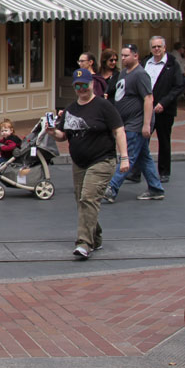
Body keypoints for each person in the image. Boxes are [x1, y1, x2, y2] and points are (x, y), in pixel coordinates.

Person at [50, 68, 129, 259]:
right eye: (77, 86)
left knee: (88, 198)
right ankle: (96, 237)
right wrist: (53, 132)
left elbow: (119, 131)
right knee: (82, 202)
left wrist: (124, 157)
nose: (81, 89)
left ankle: (84, 243)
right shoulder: (70, 109)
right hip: (79, 163)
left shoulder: (103, 106)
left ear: (92, 84)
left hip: (102, 160)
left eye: (84, 85)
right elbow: (63, 135)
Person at [102, 44, 164, 203]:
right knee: (144, 157)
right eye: (121, 56)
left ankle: (112, 188)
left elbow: (148, 99)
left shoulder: (140, 74)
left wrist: (146, 124)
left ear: (135, 56)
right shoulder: (124, 73)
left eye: (125, 56)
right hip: (125, 122)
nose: (122, 59)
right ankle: (156, 188)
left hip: (135, 124)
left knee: (127, 155)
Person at [131, 36, 185, 184]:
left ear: (164, 48)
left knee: (164, 141)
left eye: (159, 46)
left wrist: (164, 103)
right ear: (150, 48)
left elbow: (178, 86)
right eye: (154, 47)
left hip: (164, 110)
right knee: (141, 140)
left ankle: (164, 172)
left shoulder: (172, 64)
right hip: (145, 109)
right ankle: (136, 172)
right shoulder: (144, 63)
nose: (156, 49)